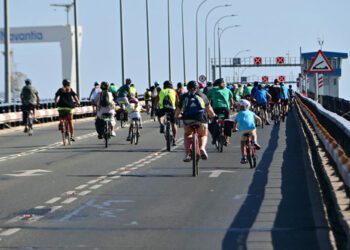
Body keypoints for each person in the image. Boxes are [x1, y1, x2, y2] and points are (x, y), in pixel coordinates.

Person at [175, 81, 216, 162]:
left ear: (188, 88)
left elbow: (178, 109)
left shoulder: (184, 96)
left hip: (188, 119)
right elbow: (209, 109)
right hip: (201, 119)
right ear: (198, 88)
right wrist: (213, 116)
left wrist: (177, 116)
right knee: (203, 134)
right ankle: (202, 148)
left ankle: (187, 154)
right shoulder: (202, 95)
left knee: (187, 134)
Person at [234, 99, 262, 164]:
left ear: (242, 106)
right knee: (254, 133)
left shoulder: (238, 114)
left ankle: (244, 157)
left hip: (243, 130)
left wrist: (235, 128)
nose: (237, 107)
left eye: (238, 106)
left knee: (242, 143)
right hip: (251, 128)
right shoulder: (251, 112)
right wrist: (259, 124)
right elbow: (259, 119)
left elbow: (235, 123)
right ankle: (255, 141)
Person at [207, 78, 234, 144]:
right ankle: (227, 139)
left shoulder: (212, 90)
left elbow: (208, 101)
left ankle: (214, 137)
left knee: (212, 123)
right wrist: (231, 107)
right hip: (225, 108)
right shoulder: (228, 90)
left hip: (216, 108)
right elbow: (232, 101)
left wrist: (208, 109)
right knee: (228, 122)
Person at [157, 81, 179, 146]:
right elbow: (178, 101)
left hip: (163, 108)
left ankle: (161, 124)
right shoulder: (174, 91)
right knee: (173, 123)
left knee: (160, 116)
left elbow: (156, 100)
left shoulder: (161, 91)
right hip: (172, 109)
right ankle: (174, 138)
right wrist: (178, 109)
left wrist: (155, 108)